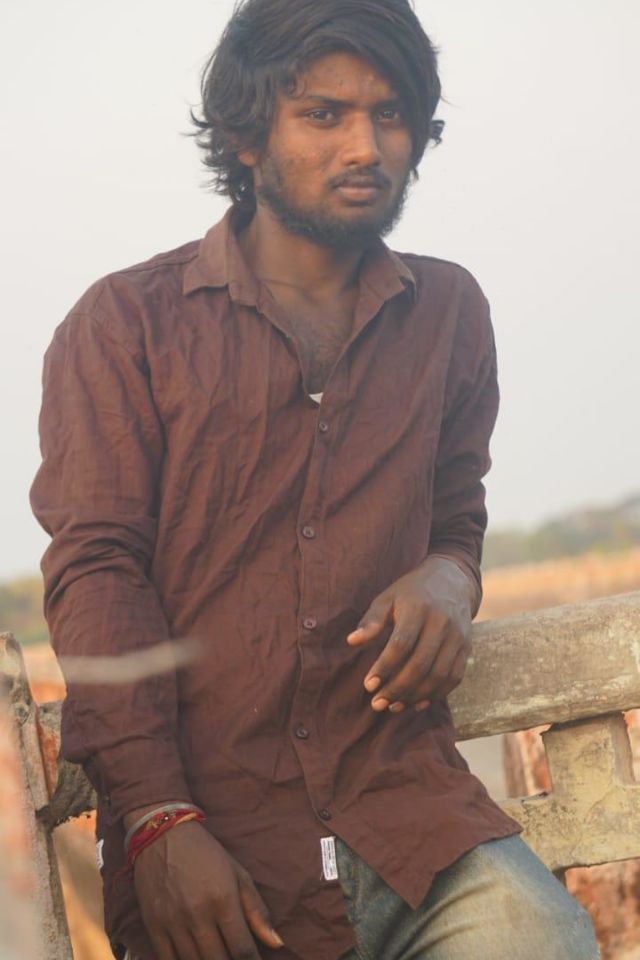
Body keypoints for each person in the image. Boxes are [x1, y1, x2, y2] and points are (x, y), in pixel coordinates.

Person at [31, 1, 600, 958]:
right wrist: (160, 820)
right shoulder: (125, 325)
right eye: (324, 114)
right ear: (246, 136)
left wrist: (449, 577)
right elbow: (97, 576)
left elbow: (456, 514)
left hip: (414, 827)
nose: (367, 147)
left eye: (391, 114)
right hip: (218, 859)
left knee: (542, 939)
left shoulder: (449, 313)